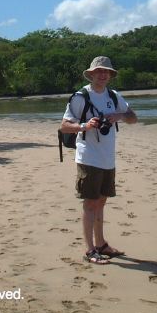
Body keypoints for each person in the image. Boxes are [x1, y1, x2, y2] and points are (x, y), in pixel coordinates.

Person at [61, 56, 138, 264]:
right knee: (90, 203)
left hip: (107, 157)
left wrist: (118, 116)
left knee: (102, 200)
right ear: (92, 74)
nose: (103, 75)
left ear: (110, 75)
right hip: (88, 156)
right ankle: (90, 250)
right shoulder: (80, 97)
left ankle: (101, 243)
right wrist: (85, 126)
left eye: (106, 72)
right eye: (99, 72)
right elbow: (64, 126)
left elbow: (133, 117)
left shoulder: (114, 96)